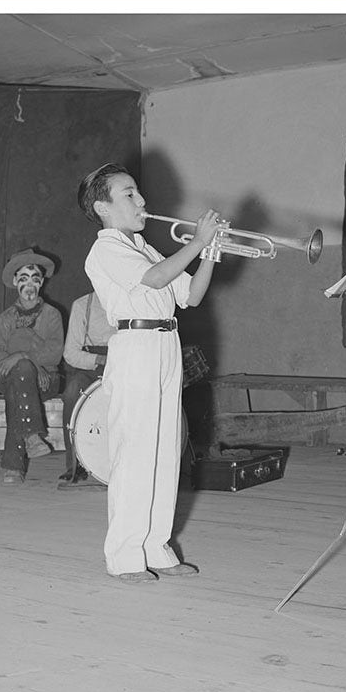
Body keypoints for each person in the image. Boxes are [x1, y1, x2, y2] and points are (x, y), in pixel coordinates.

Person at [78, 163, 225, 584]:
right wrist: (199, 240)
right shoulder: (106, 248)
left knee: (164, 453)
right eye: (129, 195)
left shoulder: (142, 245)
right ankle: (124, 555)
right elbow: (158, 278)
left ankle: (156, 547)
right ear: (103, 207)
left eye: (138, 193)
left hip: (165, 345)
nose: (141, 201)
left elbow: (191, 296)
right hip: (136, 347)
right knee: (134, 456)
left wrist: (212, 250)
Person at [0, 248, 65, 485]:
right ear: (16, 282)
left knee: (21, 376)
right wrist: (22, 363)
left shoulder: (51, 315)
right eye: (24, 278)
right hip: (14, 379)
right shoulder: (6, 318)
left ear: (41, 284)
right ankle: (31, 437)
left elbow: (55, 352)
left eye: (35, 279)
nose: (30, 284)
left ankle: (13, 465)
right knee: (20, 377)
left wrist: (21, 356)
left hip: (46, 380)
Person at [57, 290, 115, 488]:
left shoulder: (130, 299)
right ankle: (75, 464)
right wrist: (98, 359)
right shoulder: (83, 304)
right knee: (73, 391)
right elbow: (71, 353)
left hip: (124, 361)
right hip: (92, 365)